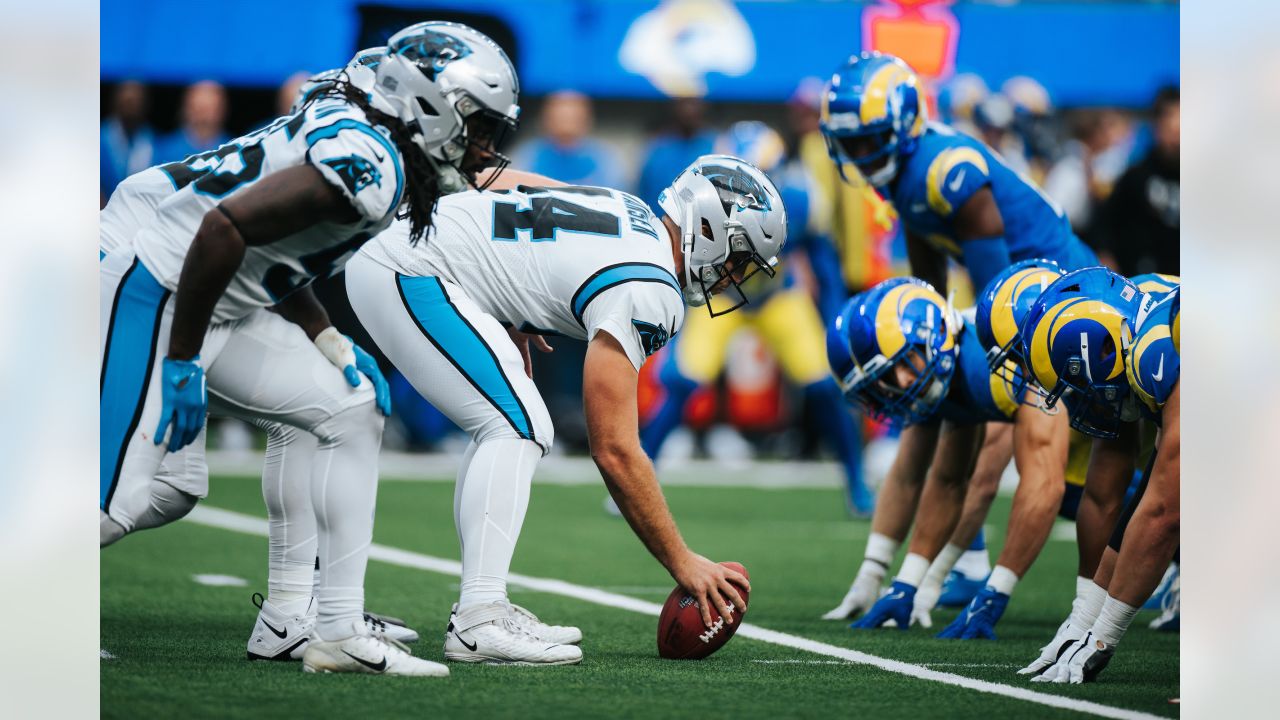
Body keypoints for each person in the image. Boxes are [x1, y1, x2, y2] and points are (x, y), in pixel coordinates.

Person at [100, 21, 520, 677]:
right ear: (432, 104)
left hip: (202, 287)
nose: (483, 142)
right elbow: (224, 228)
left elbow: (270, 252)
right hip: (150, 276)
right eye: (477, 120)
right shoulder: (373, 165)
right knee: (117, 495)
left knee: (342, 407)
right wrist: (182, 360)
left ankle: (327, 628)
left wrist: (324, 334)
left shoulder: (365, 118)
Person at [345, 154, 784, 665]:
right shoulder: (651, 286)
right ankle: (479, 617)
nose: (731, 277)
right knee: (518, 425)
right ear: (708, 227)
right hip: (410, 269)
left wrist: (503, 295)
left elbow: (499, 183)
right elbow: (615, 450)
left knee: (509, 422)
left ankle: (323, 609)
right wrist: (683, 561)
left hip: (408, 252)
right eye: (736, 259)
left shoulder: (628, 207)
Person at [820, 272, 1071, 641]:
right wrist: (904, 583)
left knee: (1097, 498)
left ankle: (1095, 620)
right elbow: (947, 480)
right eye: (886, 379)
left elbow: (1036, 485)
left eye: (904, 366)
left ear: (931, 338)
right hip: (1074, 415)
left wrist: (993, 593)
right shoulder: (942, 366)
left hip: (1105, 403)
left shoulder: (996, 364)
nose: (900, 384)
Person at [638, 121, 871, 517]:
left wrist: (833, 320)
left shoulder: (800, 198)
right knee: (681, 381)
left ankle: (857, 481)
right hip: (719, 295)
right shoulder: (700, 201)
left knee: (823, 386)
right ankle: (639, 477)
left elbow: (824, 265)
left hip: (777, 297)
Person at [1015, 268, 1179, 684]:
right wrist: (1083, 619)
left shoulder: (1155, 351)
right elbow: (1148, 492)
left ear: (1101, 347)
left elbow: (1165, 511)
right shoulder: (1141, 320)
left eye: (1075, 382)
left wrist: (1103, 637)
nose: (1080, 398)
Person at [820, 52, 1098, 298]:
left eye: (871, 139)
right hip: (1024, 282)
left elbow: (996, 293)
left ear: (904, 123)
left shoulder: (946, 169)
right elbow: (927, 262)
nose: (861, 154)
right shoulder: (897, 170)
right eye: (850, 142)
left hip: (1063, 277)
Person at [1093, 87, 1179, 276]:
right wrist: (1106, 258)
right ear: (1157, 126)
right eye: (1169, 124)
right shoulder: (1137, 176)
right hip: (1142, 282)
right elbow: (1104, 224)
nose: (1176, 134)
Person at [635, 96, 717, 212]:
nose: (688, 110)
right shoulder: (657, 148)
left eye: (693, 103)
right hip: (659, 223)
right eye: (684, 103)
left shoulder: (716, 146)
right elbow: (643, 191)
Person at [101, 81, 156, 203]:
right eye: (127, 102)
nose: (131, 108)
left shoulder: (155, 143)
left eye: (136, 102)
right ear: (115, 102)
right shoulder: (99, 141)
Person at [154, 80, 231, 164]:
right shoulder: (165, 150)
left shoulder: (234, 150)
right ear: (185, 108)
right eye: (198, 108)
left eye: (210, 109)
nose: (203, 117)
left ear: (223, 110)